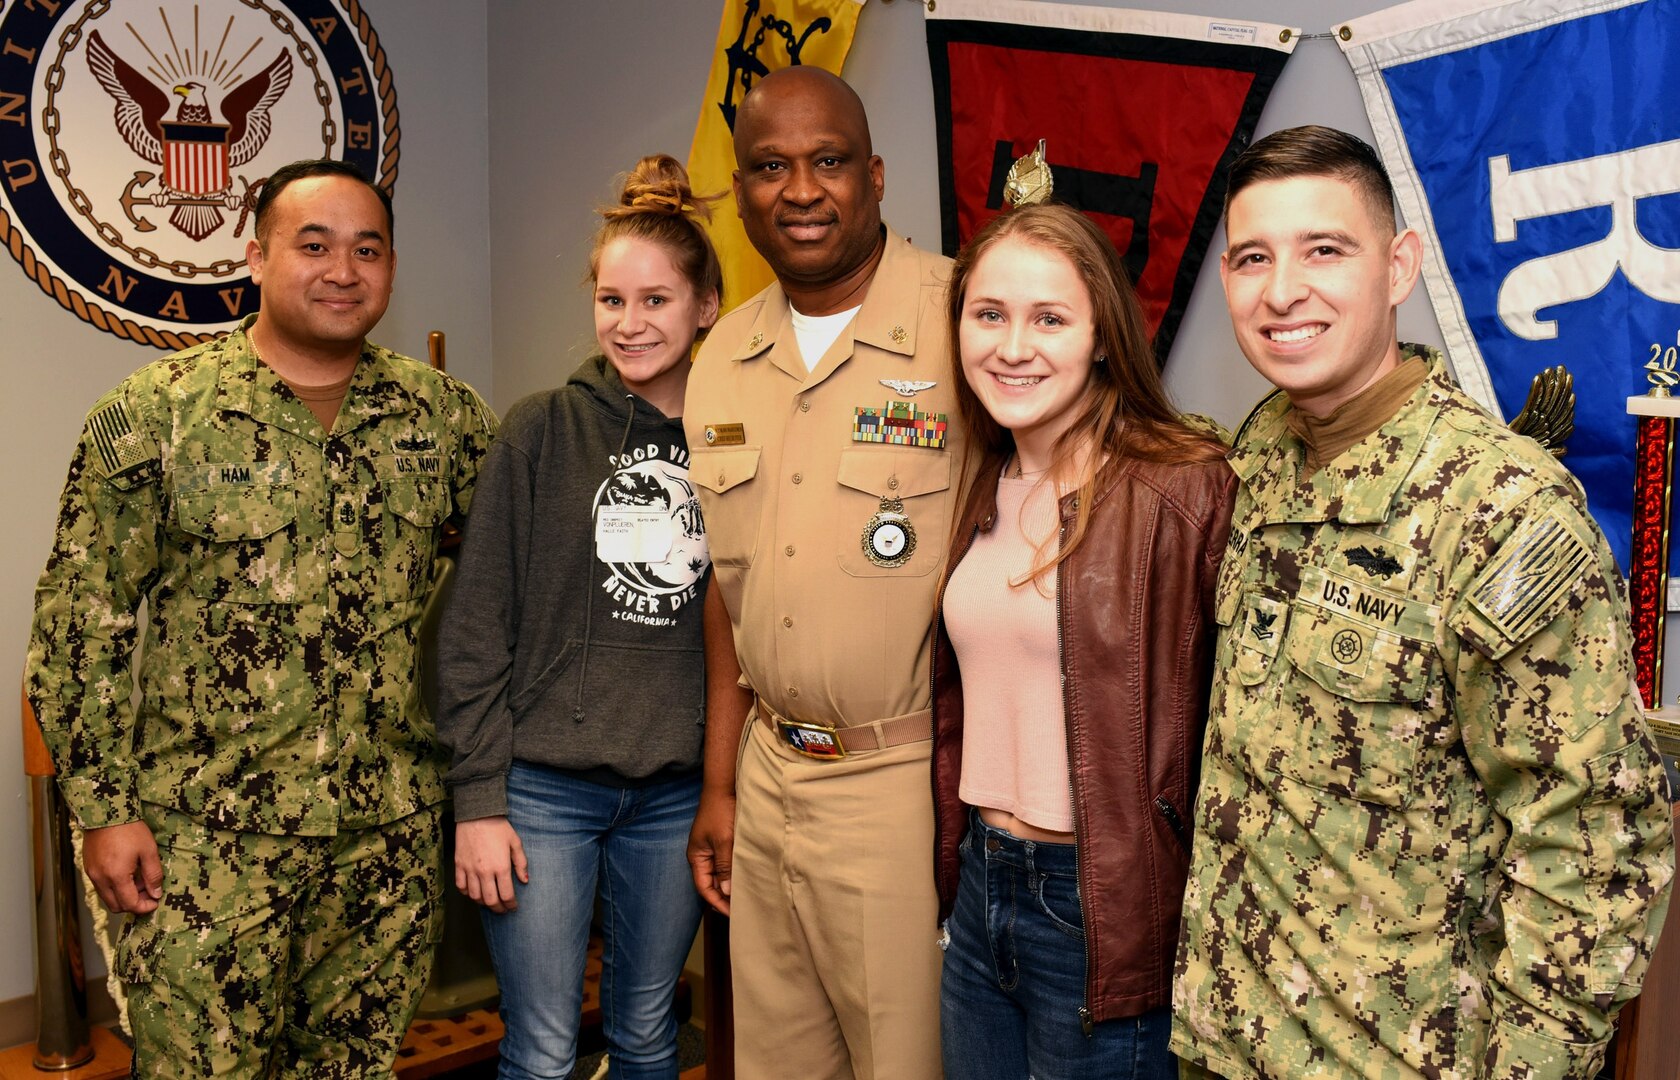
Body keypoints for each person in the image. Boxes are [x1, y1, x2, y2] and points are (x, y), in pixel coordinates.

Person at [1171, 125, 1675, 1080]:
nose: (1282, 291)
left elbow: (1598, 845)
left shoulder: (1501, 510)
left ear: (1398, 266)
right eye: (1251, 258)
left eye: (1325, 249)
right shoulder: (1263, 453)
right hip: (1222, 1042)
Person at [25, 158, 496, 1077]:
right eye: (312, 245)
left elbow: (509, 594)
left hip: (382, 836)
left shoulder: (444, 419)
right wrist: (102, 812)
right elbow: (80, 627)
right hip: (204, 840)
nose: (342, 269)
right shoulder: (155, 416)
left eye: (368, 249)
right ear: (256, 257)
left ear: (392, 270)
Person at [682, 66, 962, 1079]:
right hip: (765, 777)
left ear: (877, 175)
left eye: (829, 161)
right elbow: (730, 591)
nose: (801, 190)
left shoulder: (965, 319)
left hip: (900, 784)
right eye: (769, 167)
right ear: (741, 190)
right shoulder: (721, 357)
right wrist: (721, 782)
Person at [930, 202, 1235, 1080]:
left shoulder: (1182, 489)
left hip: (1096, 904)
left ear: (1103, 336)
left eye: (1049, 318)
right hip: (981, 888)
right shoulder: (982, 475)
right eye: (989, 315)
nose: (1012, 346)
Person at [437, 153, 720, 1080]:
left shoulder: (737, 441)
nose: (629, 324)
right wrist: (478, 801)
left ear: (705, 307)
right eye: (611, 300)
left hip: (676, 794)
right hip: (544, 794)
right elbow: (475, 629)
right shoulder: (540, 429)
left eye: (656, 301)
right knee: (546, 1050)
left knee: (647, 1034)